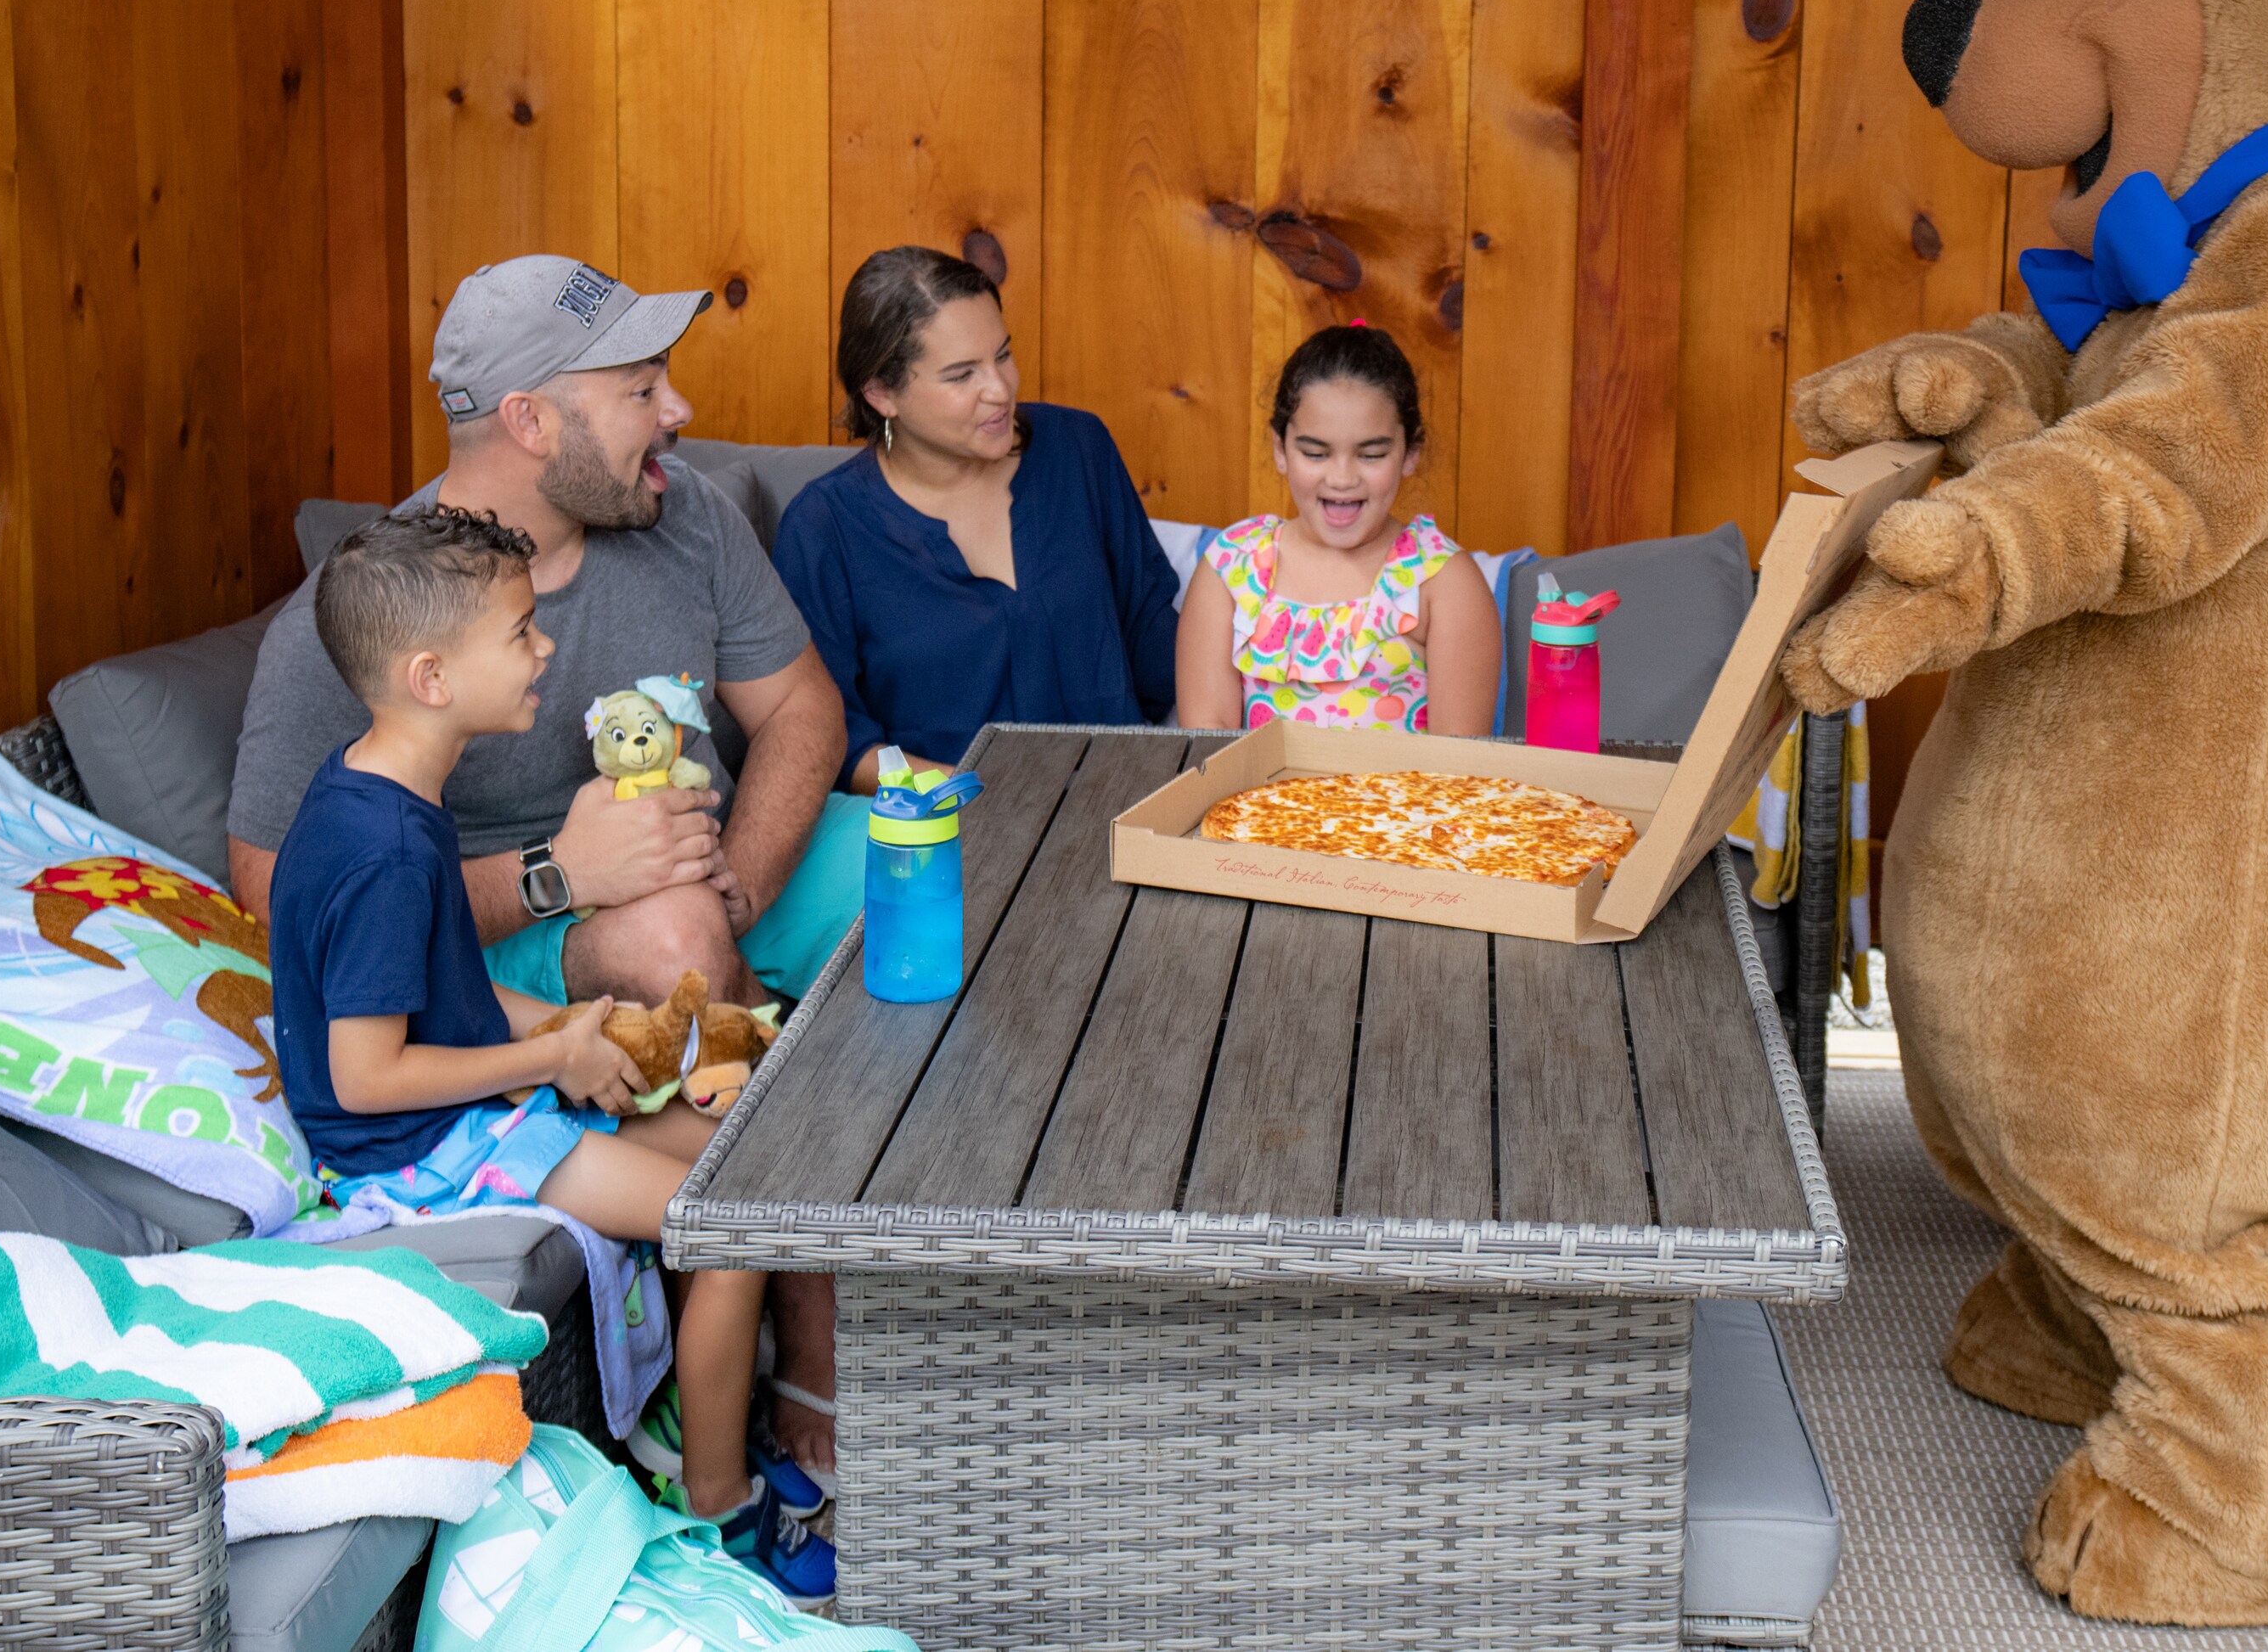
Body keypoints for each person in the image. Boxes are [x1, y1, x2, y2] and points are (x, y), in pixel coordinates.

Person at [228, 253, 843, 1490]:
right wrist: (561, 875)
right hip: (509, 958)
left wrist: (736, 884)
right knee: (684, 985)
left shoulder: (688, 511)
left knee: (922, 900)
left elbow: (805, 714)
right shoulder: (376, 613)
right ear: (529, 419)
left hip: (689, 890)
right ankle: (767, 1417)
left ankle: (875, 1302)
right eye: (639, 387)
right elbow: (272, 888)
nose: (674, 413)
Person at [268, 508, 832, 1604]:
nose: (547, 651)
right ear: (432, 674)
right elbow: (363, 1077)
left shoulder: (390, 791)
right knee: (733, 1219)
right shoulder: (382, 848)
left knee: (744, 1118)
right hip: (421, 1147)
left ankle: (686, 1409)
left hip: (473, 1098)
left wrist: (591, 1035)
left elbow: (453, 995)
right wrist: (547, 1061)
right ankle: (713, 1502)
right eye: (522, 633)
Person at [773, 245, 1182, 780]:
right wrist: (976, 797)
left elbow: (1157, 643)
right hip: (942, 833)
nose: (1000, 389)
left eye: (1003, 355)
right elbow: (839, 744)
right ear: (881, 394)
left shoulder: (1079, 448)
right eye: (962, 375)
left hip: (1121, 809)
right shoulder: (822, 530)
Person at [1177, 323, 1500, 734]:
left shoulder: (1443, 581)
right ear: (1281, 450)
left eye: (1372, 454)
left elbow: (1456, 772)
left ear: (1410, 453)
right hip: (1253, 801)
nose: (1342, 478)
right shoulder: (1231, 568)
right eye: (1315, 453)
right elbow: (1208, 751)